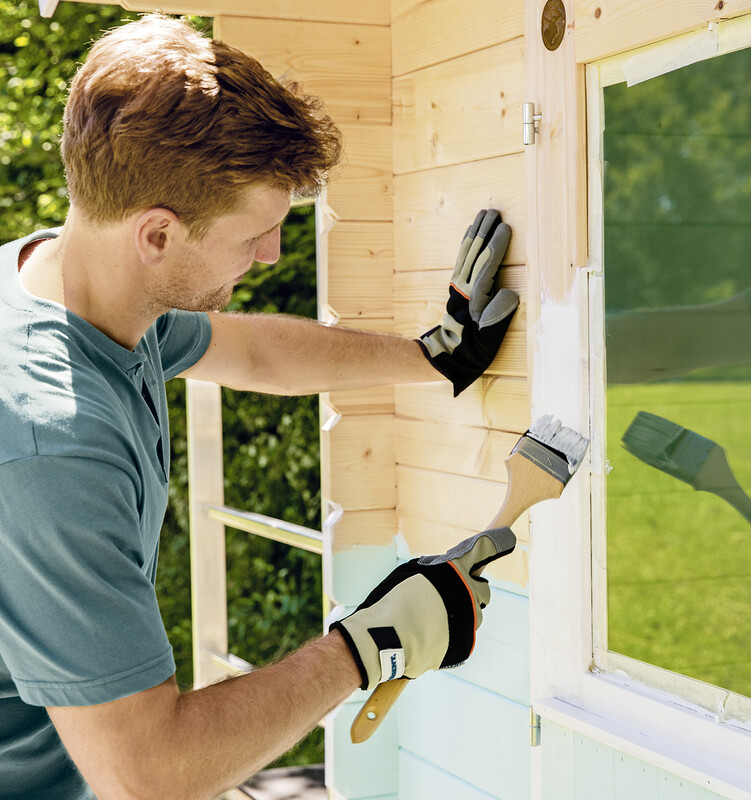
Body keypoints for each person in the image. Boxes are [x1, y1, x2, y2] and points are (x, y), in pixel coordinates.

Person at [0, 13, 519, 800]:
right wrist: (372, 641)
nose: (272, 252)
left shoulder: (69, 280)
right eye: (257, 233)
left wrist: (435, 357)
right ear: (158, 235)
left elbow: (248, 348)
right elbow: (148, 776)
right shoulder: (51, 443)